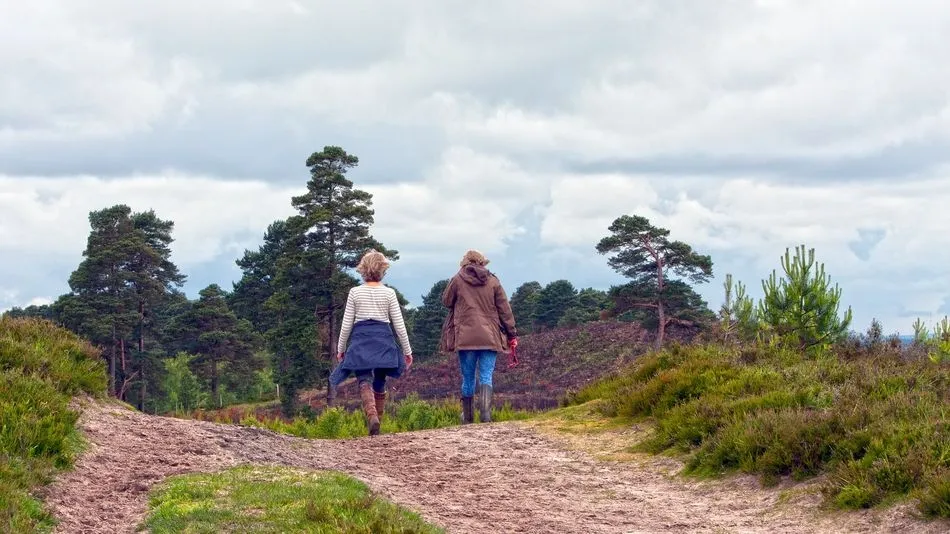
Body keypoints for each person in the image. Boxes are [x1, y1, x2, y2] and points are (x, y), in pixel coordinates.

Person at [336, 250, 413, 435]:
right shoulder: (389, 293)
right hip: (383, 339)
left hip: (361, 338)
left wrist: (341, 349)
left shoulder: (355, 292)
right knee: (380, 379)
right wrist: (407, 351)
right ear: (382, 270)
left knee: (364, 379)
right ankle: (378, 421)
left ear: (363, 270)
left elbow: (346, 324)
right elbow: (399, 325)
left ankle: (372, 416)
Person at [440, 249, 518, 424]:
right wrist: (511, 333)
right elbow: (505, 310)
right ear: (483, 263)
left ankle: (467, 418)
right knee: (486, 375)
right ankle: (485, 415)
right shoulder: (493, 281)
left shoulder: (458, 280)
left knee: (467, 377)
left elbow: (446, 301)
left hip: (465, 337)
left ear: (465, 263)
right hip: (489, 337)